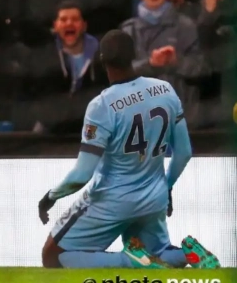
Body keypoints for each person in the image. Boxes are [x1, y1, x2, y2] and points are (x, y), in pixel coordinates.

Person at [37, 29, 220, 269]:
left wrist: (51, 197)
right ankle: (187, 255)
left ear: (102, 60)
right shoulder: (165, 90)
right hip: (153, 196)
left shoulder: (102, 105)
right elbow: (184, 152)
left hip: (112, 200)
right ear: (134, 55)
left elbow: (82, 173)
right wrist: (167, 187)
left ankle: (129, 260)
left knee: (53, 257)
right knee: (157, 253)